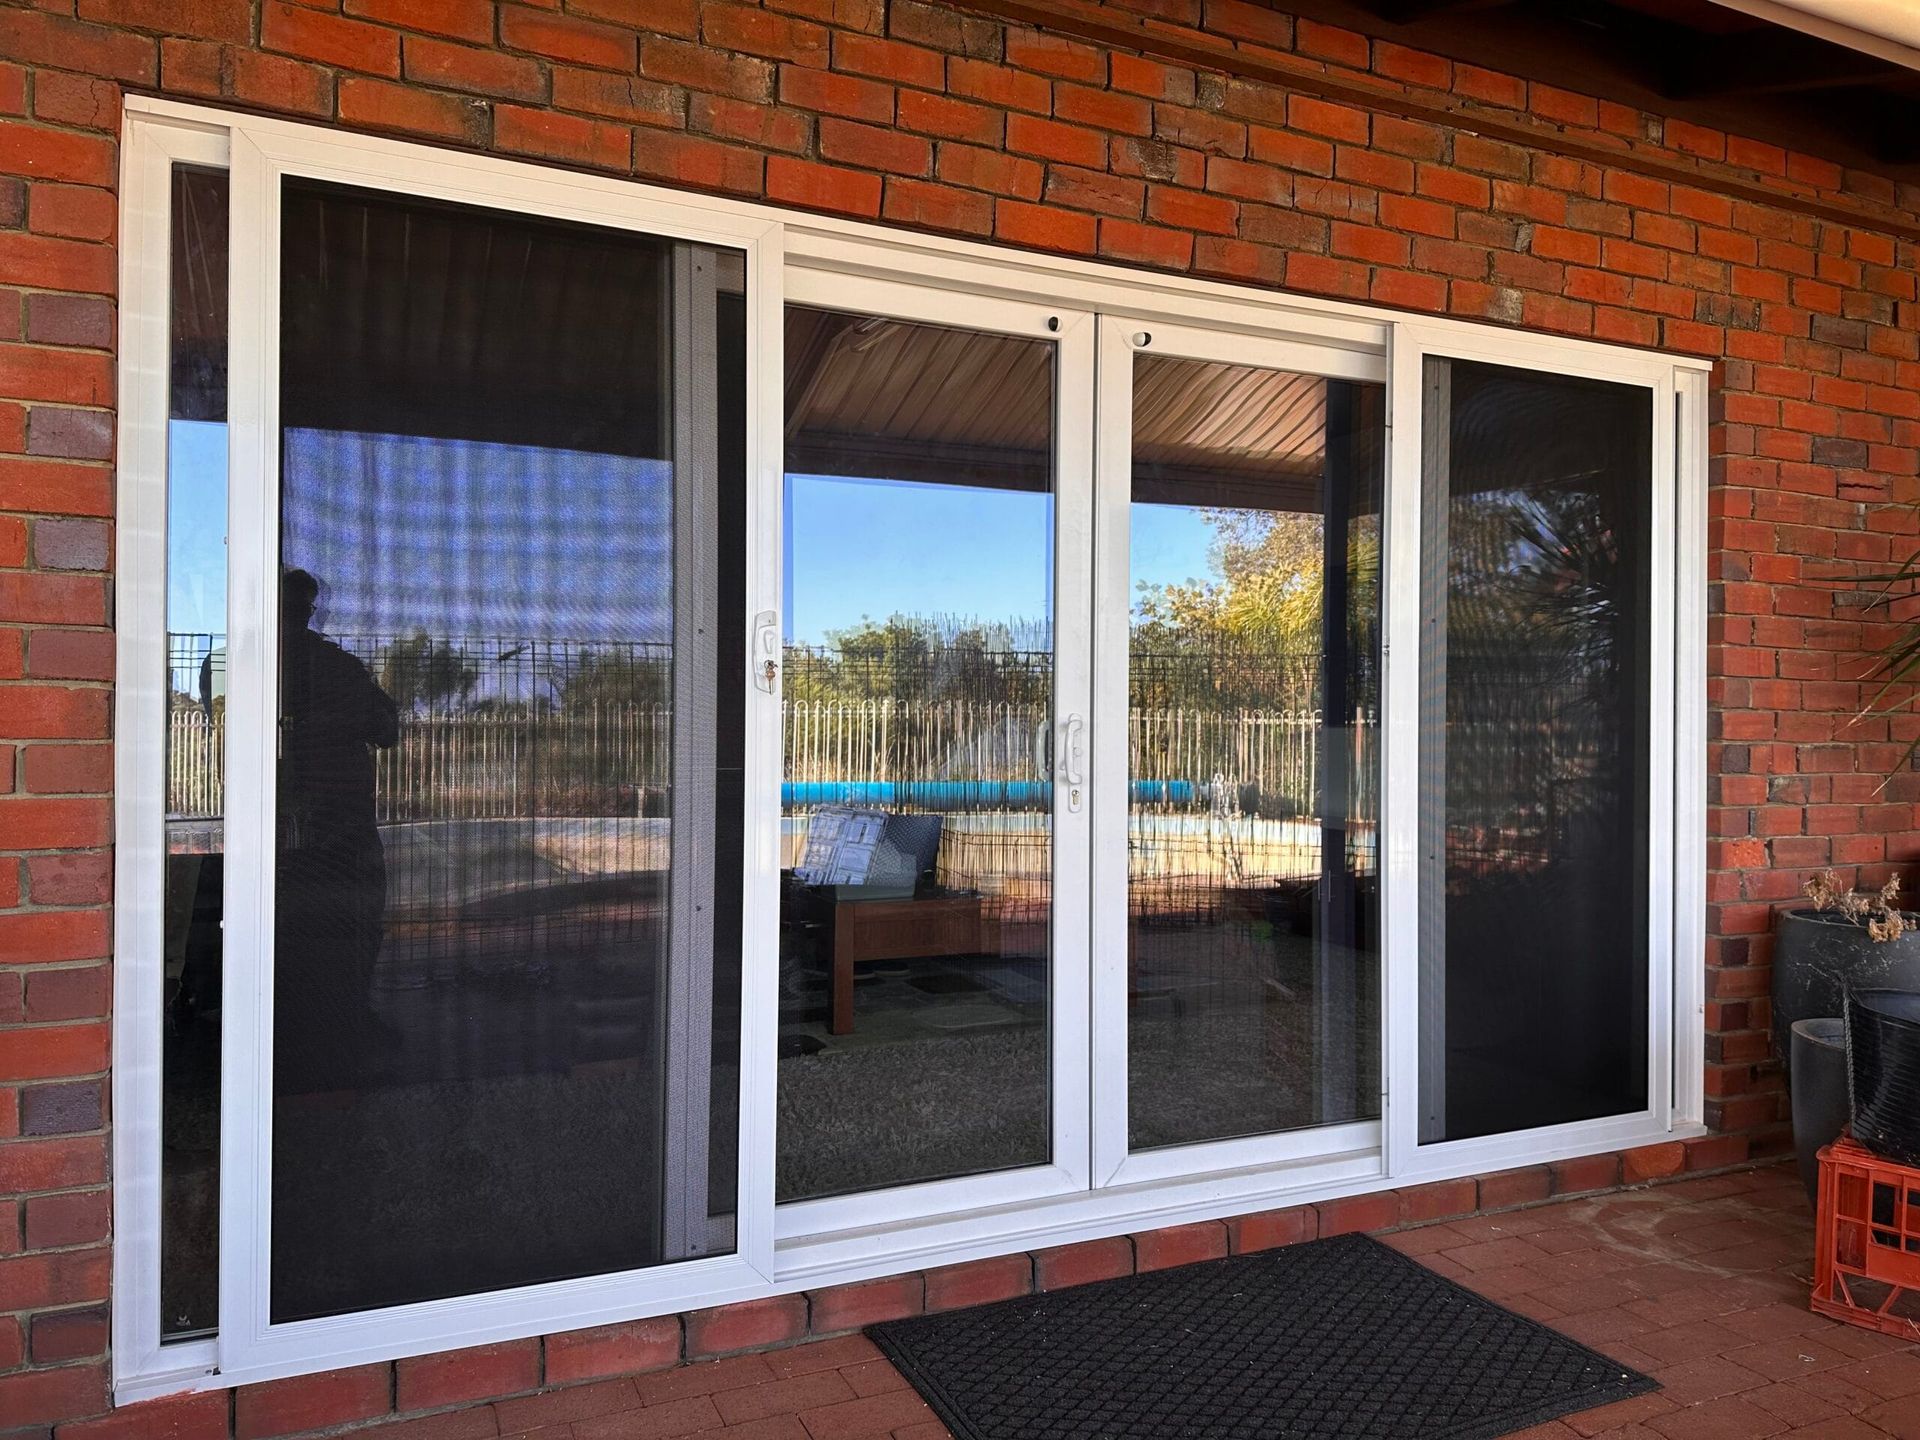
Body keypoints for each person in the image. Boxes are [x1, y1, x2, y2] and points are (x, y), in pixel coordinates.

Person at [275, 568, 400, 1090]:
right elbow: (386, 727)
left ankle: (314, 1025)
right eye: (302, 605)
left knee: (312, 923)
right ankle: (339, 1021)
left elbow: (384, 727)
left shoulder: (241, 660)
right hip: (333, 817)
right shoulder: (334, 664)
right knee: (354, 918)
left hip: (293, 819)